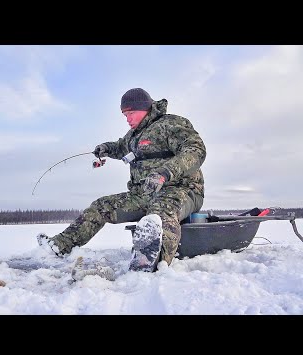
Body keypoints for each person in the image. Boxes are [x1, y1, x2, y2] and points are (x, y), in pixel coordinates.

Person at [37, 87, 206, 272]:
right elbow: (120, 147)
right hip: (143, 194)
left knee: (159, 213)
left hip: (181, 190)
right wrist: (106, 148)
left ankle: (152, 263)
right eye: (125, 114)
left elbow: (195, 150)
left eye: (131, 113)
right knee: (101, 206)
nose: (128, 118)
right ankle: (59, 246)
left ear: (145, 108)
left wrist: (165, 172)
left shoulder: (171, 124)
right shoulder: (133, 136)